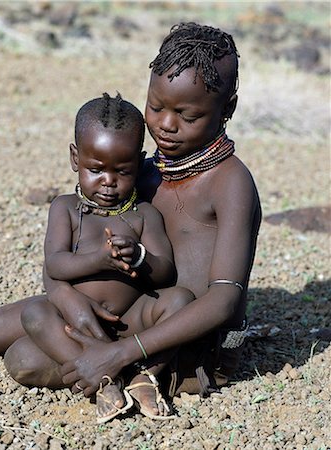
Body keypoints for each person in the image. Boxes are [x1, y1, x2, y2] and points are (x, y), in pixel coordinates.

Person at [58, 23, 262, 398]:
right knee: (9, 331)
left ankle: (122, 373)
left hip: (189, 351)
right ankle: (104, 360)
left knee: (31, 357)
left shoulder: (231, 183)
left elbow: (224, 300)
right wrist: (78, 307)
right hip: (135, 319)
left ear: (226, 109)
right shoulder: (147, 171)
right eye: (156, 106)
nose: (165, 125)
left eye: (187, 116)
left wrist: (120, 352)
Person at [0, 92, 194, 423]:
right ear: (74, 158)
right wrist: (100, 259)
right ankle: (104, 377)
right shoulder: (65, 208)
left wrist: (138, 256)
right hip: (74, 324)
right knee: (31, 317)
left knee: (180, 300)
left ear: (138, 165)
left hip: (128, 324)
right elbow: (55, 264)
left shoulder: (143, 215)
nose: (108, 181)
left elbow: (165, 272)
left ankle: (140, 375)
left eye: (122, 171)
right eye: (96, 169)